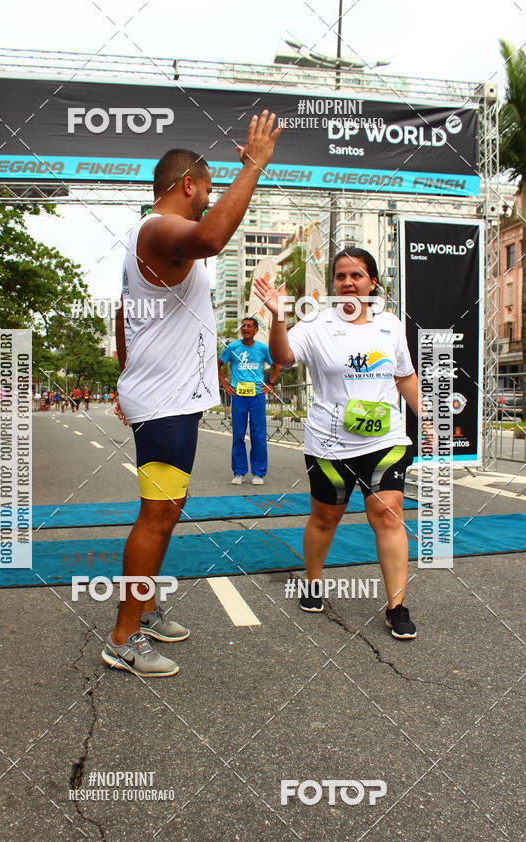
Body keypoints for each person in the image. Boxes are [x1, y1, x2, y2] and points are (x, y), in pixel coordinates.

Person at [105, 112, 283, 677]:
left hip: (165, 397)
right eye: (207, 189)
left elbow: (122, 314)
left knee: (169, 508)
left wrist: (125, 371)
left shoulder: (153, 238)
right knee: (157, 514)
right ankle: (124, 639)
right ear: (187, 184)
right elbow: (210, 236)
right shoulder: (159, 229)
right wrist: (253, 165)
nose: (209, 199)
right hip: (163, 403)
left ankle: (144, 605)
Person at [255, 247, 424, 640]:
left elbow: (404, 376)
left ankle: (396, 606)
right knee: (326, 518)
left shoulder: (391, 325)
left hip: (386, 438)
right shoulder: (315, 324)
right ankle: (313, 582)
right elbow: (283, 355)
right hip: (329, 444)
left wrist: (428, 416)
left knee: (388, 513)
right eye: (341, 276)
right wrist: (278, 317)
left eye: (357, 275)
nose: (348, 283)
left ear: (373, 282)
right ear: (333, 283)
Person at [218, 316, 281, 485]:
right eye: (243, 326)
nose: (245, 328)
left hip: (257, 396)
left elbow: (277, 364)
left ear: (255, 330)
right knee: (238, 434)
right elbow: (217, 364)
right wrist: (224, 384)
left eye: (249, 326)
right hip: (238, 396)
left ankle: (258, 473)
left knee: (258, 435)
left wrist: (271, 384)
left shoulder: (262, 348)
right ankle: (239, 472)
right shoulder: (232, 347)